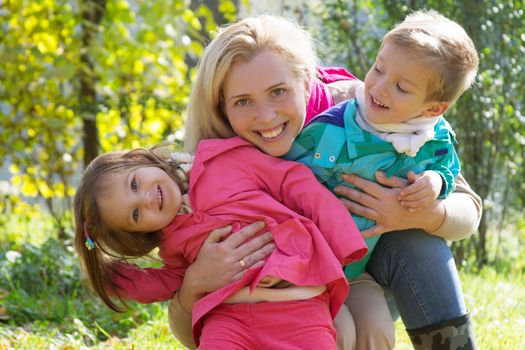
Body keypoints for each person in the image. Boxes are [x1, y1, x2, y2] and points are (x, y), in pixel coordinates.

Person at [171, 13, 482, 350]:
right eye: (243, 101)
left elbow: (468, 209)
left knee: (418, 243)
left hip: (364, 269)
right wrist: (195, 282)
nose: (266, 116)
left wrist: (420, 213)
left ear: (305, 81)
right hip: (279, 298)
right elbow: (189, 333)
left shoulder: (366, 109)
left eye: (278, 91)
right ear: (222, 108)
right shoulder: (213, 167)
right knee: (334, 330)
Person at [73, 143, 368, 349]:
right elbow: (172, 281)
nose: (146, 199)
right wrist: (117, 280)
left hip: (298, 306)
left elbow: (295, 182)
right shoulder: (172, 244)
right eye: (136, 214)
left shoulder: (223, 160)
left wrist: (343, 238)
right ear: (140, 232)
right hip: (228, 318)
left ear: (139, 160)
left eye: (135, 184)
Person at [285, 9, 477, 285]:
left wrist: (435, 182)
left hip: (359, 270)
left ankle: (449, 330)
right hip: (304, 261)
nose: (379, 87)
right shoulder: (334, 126)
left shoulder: (434, 137)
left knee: (426, 248)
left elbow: (448, 170)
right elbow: (283, 177)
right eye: (378, 69)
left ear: (433, 108)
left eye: (401, 87)